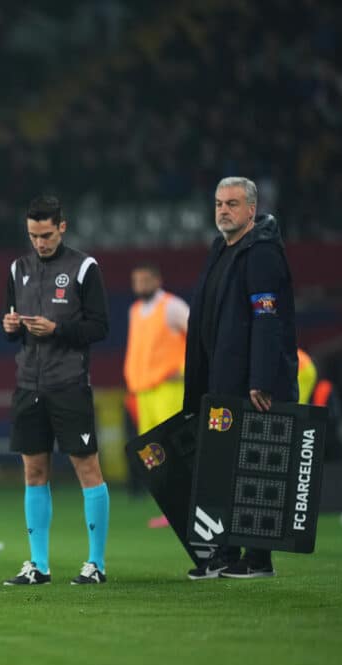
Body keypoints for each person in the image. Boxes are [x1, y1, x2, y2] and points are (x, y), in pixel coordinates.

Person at [183, 177, 298, 580]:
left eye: (232, 204)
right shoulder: (221, 250)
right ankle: (227, 552)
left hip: (250, 384)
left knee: (255, 470)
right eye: (218, 204)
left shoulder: (262, 252)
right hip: (221, 380)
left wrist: (262, 379)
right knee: (224, 469)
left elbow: (267, 319)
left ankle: (259, 558)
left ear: (252, 210)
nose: (223, 211)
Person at [1, 195, 111, 586]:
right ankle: (38, 565)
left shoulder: (84, 267)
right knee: (33, 472)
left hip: (69, 384)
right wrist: (10, 326)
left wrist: (58, 330)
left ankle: (95, 563)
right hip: (28, 384)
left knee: (87, 468)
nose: (40, 243)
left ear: (62, 227)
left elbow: (100, 327)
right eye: (33, 235)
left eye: (46, 235)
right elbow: (11, 326)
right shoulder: (18, 268)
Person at [123, 263, 189, 529]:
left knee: (173, 449)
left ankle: (185, 505)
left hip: (169, 390)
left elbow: (200, 335)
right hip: (144, 392)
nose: (141, 284)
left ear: (157, 279)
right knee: (152, 453)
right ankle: (171, 507)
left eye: (146, 279)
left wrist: (185, 370)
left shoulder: (172, 306)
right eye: (136, 279)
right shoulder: (135, 310)